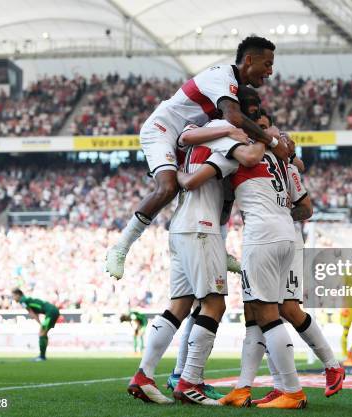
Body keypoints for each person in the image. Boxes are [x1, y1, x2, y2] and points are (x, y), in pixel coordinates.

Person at [126, 87, 269, 406]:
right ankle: (189, 381)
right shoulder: (231, 140)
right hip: (201, 229)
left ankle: (143, 376)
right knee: (215, 304)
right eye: (253, 116)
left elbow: (183, 143)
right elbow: (250, 157)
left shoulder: (195, 131)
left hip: (180, 226)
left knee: (179, 304)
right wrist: (266, 137)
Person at [106, 36, 284, 280]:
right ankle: (121, 247)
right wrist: (271, 140)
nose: (270, 72)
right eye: (267, 64)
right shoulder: (223, 76)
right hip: (163, 130)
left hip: (187, 135)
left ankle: (220, 248)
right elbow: (233, 118)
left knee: (226, 182)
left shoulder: (235, 87)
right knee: (168, 187)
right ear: (249, 60)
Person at [178, 107, 307, 409]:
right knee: (252, 314)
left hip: (259, 236)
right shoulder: (267, 151)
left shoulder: (241, 150)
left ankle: (291, 390)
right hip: (278, 233)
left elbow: (194, 174)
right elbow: (295, 161)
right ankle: (241, 387)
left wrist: (173, 172)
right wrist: (273, 139)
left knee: (262, 313)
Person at [11, 288, 60, 361]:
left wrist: (40, 324)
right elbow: (35, 312)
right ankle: (42, 356)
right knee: (43, 333)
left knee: (41, 333)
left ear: (18, 295)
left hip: (51, 312)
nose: (13, 298)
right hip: (53, 311)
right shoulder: (26, 299)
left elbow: (32, 313)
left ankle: (42, 357)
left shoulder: (22, 301)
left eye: (13, 296)